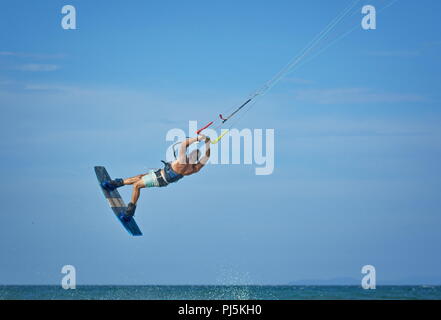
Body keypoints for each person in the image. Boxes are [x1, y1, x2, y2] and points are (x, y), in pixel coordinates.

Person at [101, 135, 211, 220]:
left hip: (159, 178)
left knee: (136, 186)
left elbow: (183, 144)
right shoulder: (194, 169)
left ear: (191, 156)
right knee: (139, 177)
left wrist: (199, 138)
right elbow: (207, 156)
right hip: (160, 176)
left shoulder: (183, 161)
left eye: (191, 153)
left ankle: (129, 213)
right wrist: (208, 144)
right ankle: (114, 184)